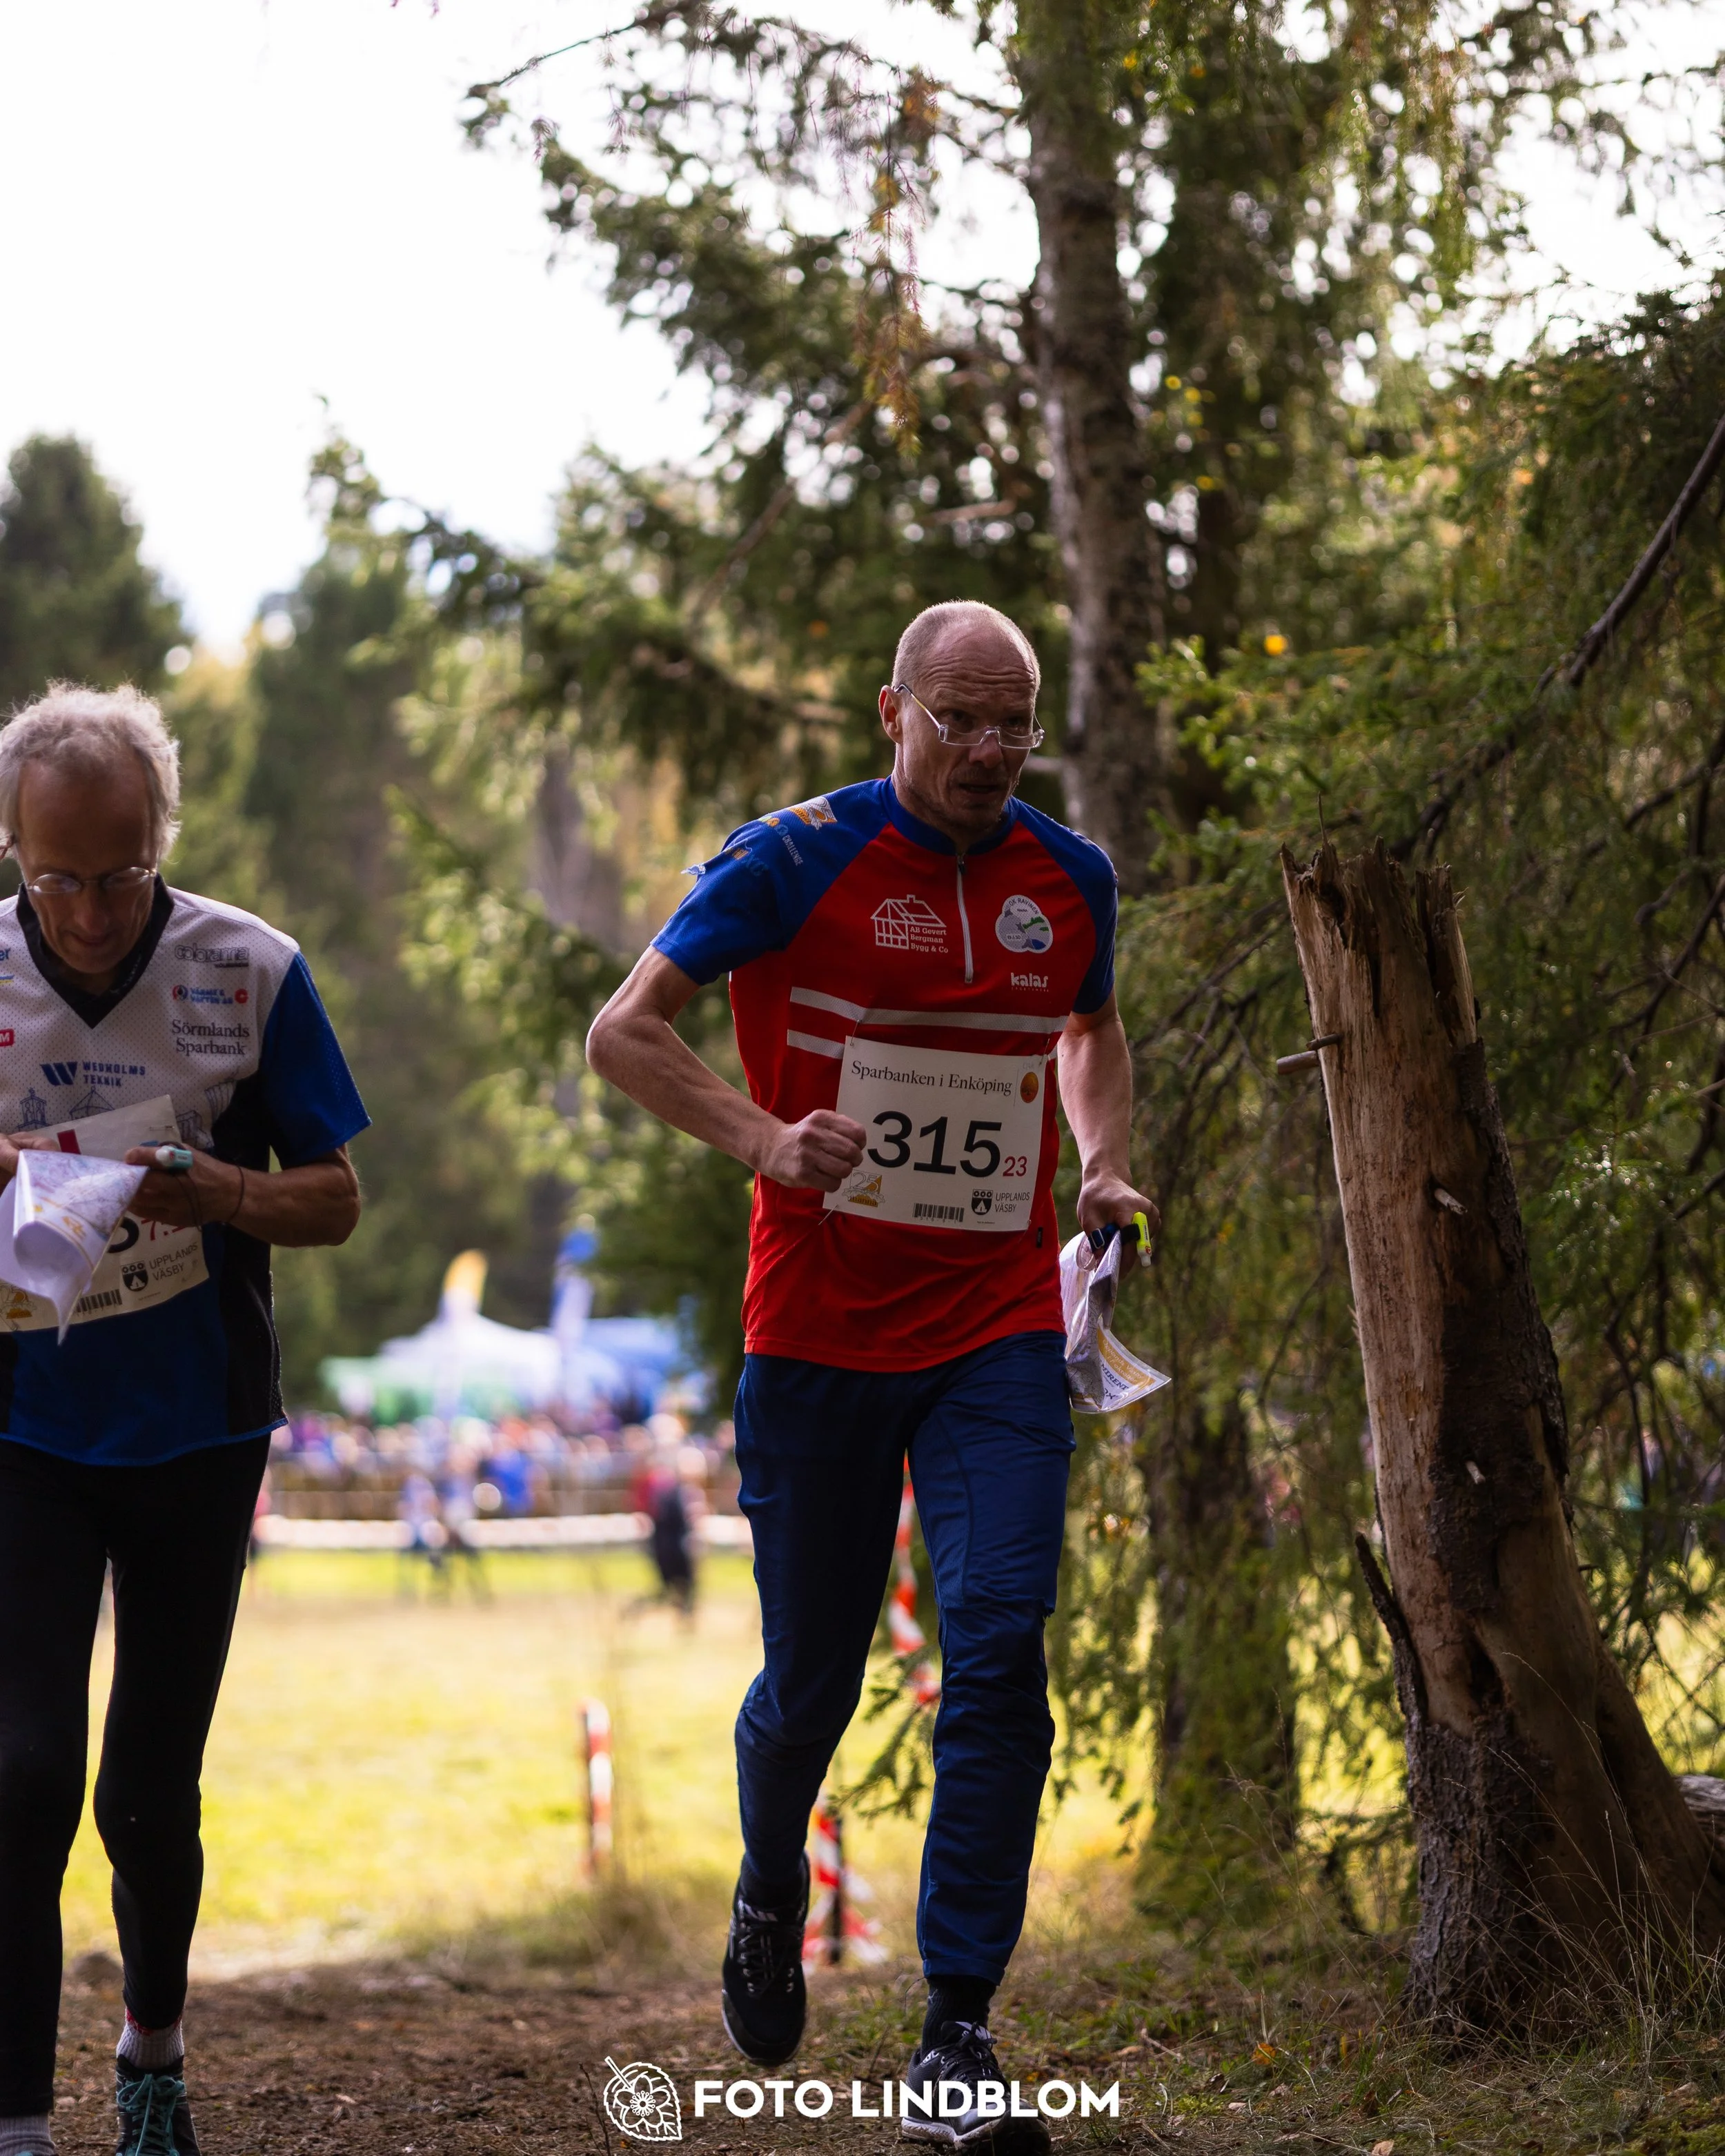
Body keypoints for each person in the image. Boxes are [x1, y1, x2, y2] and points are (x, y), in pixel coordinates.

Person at [586, 600, 1159, 2148]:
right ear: (889, 709)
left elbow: (1088, 1030)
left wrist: (1100, 1162)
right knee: (811, 1684)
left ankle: (955, 2030)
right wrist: (768, 1139)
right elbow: (623, 1034)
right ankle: (771, 1883)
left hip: (991, 1327)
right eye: (956, 719)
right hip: (817, 1329)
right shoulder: (788, 857)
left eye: (1010, 726)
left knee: (994, 1641)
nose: (985, 752)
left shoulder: (1070, 878)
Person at [0, 685, 368, 2156]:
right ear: (16, 851)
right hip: (21, 1423)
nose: (89, 911)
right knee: (18, 1772)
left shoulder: (251, 968)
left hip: (196, 1428)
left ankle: (151, 2042)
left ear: (166, 837)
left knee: (144, 1789)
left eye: (122, 871)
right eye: (55, 877)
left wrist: (211, 1187)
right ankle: (18, 2120)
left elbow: (333, 1196)